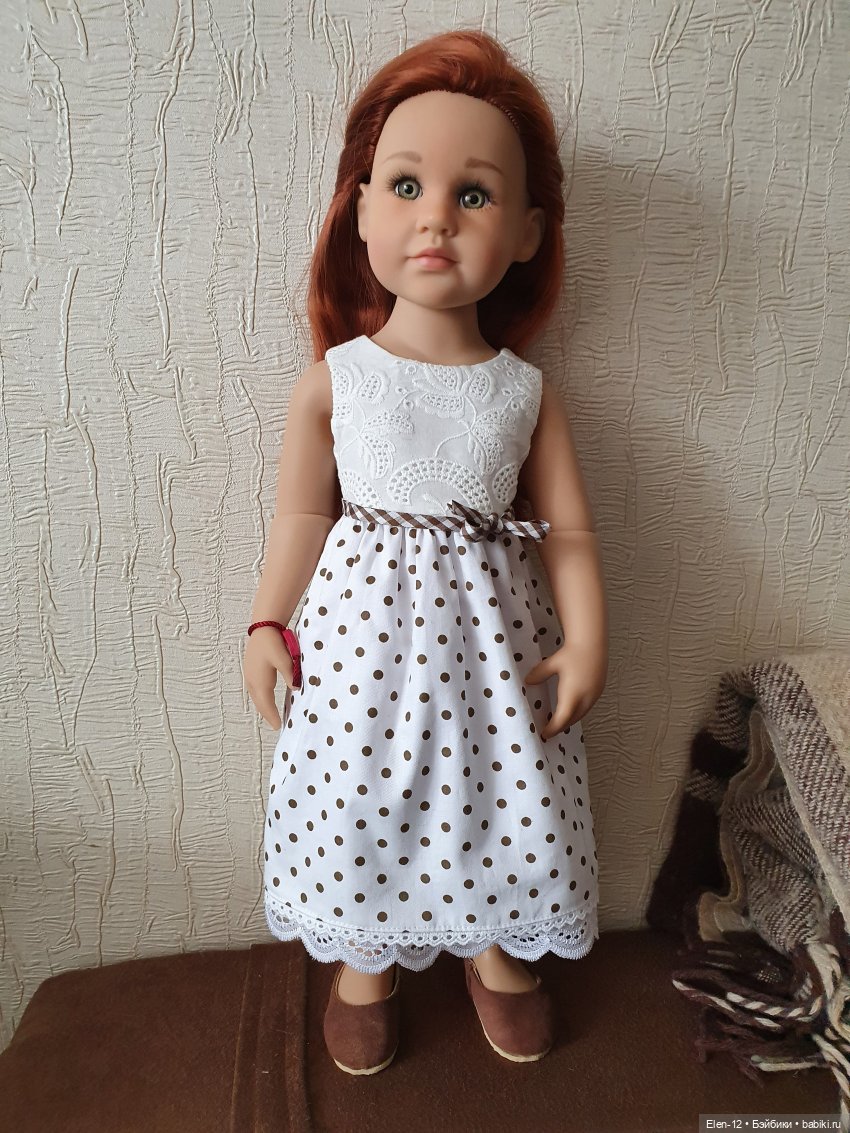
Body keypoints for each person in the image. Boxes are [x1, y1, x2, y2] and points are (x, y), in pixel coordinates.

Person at [243, 28, 608, 1075]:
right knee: (362, 793)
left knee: (494, 790)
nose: (436, 216)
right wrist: (266, 618)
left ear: (527, 233)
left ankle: (492, 941)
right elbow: (302, 517)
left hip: (494, 653)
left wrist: (589, 637)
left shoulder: (522, 391)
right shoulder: (337, 380)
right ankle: (365, 956)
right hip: (360, 648)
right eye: (405, 185)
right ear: (361, 210)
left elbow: (570, 529)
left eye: (474, 194)